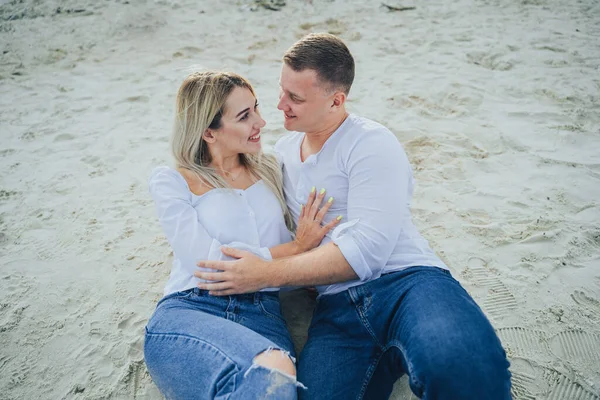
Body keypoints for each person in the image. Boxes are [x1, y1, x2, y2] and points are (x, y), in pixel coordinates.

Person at [194, 34, 512, 399]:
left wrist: (264, 273)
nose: (280, 106)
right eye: (281, 91)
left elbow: (368, 251)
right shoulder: (281, 154)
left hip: (407, 282)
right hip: (336, 313)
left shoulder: (370, 142)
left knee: (463, 368)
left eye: (295, 98)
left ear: (336, 100)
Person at [143, 70, 341, 399]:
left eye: (257, 109)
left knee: (275, 387)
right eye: (245, 116)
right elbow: (210, 265)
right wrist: (295, 247)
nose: (261, 123)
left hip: (263, 316)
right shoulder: (172, 181)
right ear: (209, 132)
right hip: (192, 310)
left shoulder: (274, 169)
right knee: (273, 370)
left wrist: (298, 254)